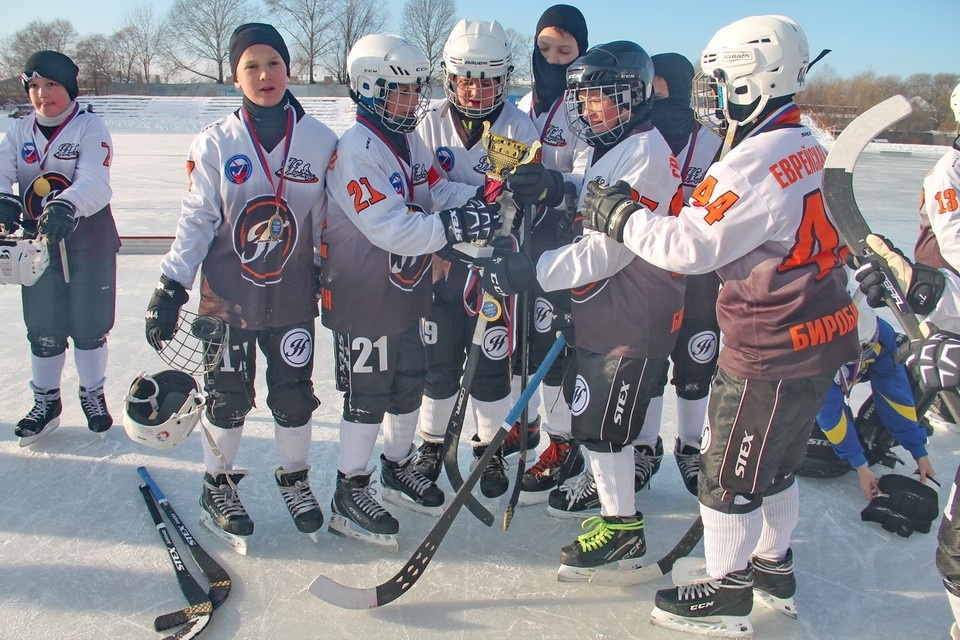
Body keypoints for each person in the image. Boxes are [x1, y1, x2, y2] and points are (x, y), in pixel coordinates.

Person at [578, 15, 858, 636]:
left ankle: (729, 588)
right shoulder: (809, 141)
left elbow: (689, 246)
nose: (707, 94)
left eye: (718, 80)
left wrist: (619, 215)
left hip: (769, 346)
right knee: (778, 467)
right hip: (821, 337)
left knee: (725, 475)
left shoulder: (753, 160)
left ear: (752, 80)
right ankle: (773, 567)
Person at [480, 40, 685, 581]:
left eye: (602, 97)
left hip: (631, 309)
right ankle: (619, 522)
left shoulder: (644, 152)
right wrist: (556, 184)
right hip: (608, 306)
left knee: (603, 427)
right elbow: (597, 193)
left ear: (635, 95)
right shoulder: (619, 145)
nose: (590, 109)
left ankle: (623, 530)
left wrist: (532, 271)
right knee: (594, 420)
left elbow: (609, 248)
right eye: (585, 99)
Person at [145, 24, 337, 547]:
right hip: (230, 297)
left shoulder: (320, 140)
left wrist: (333, 275)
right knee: (227, 397)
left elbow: (327, 220)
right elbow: (197, 219)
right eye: (250, 66)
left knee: (294, 396)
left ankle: (295, 480)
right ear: (235, 78)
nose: (264, 75)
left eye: (273, 63)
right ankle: (217, 485)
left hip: (293, 295)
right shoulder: (216, 143)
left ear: (289, 69)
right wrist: (171, 285)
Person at [319, 33, 501, 548]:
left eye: (416, 90)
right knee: (367, 394)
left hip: (407, 289)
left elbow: (436, 190)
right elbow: (392, 227)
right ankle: (349, 489)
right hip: (363, 296)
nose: (413, 101)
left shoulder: (406, 139)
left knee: (408, 382)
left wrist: (489, 198)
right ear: (369, 88)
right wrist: (461, 225)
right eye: (401, 92)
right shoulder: (356, 149)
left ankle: (396, 467)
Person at [412, 19, 540, 500]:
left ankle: (490, 447)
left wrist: (499, 201)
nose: (476, 88)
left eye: (488, 78)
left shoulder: (518, 126)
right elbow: (426, 189)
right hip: (444, 264)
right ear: (450, 77)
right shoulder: (428, 125)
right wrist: (483, 198)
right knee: (438, 363)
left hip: (497, 267)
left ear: (504, 78)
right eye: (467, 77)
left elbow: (523, 195)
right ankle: (429, 445)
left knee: (491, 365)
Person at [0, 50, 120, 445]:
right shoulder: (18, 131)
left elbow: (96, 181)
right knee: (44, 329)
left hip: (89, 241)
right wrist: (4, 201)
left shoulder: (89, 126)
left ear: (68, 87)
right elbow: (2, 173)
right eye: (33, 85)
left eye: (51, 84)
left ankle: (92, 394)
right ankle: (46, 401)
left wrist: (68, 203)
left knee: (90, 327)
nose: (41, 94)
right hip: (39, 246)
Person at [510, 4, 591, 505]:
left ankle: (565, 444)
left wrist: (555, 184)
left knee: (556, 347)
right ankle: (529, 423)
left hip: (562, 248)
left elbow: (592, 179)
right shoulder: (519, 107)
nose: (553, 59)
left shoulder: (585, 107)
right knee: (521, 341)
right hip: (520, 246)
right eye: (545, 49)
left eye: (565, 51)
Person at [805, 272, 934, 500]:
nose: (864, 354)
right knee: (824, 457)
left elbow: (895, 395)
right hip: (797, 378)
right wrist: (860, 466)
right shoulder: (818, 356)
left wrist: (918, 451)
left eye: (866, 347)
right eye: (857, 350)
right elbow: (830, 414)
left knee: (910, 362)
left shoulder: (878, 336)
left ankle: (872, 436)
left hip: (839, 363)